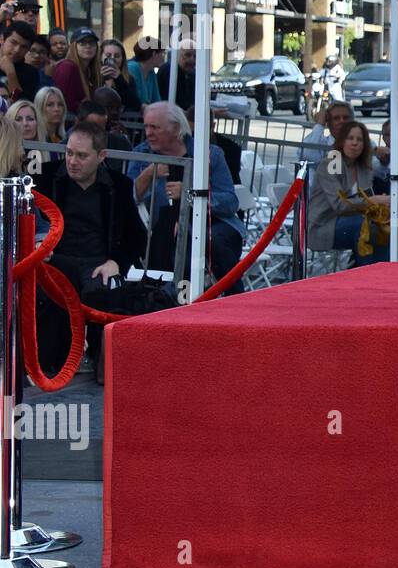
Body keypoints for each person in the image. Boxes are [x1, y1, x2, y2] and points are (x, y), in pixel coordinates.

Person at [35, 123, 147, 385]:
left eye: (82, 156)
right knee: (54, 287)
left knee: (104, 288)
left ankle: (101, 363)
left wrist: (116, 262)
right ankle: (53, 360)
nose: (73, 161)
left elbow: (137, 236)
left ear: (102, 156)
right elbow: (33, 221)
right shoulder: (47, 178)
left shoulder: (119, 185)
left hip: (98, 262)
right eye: (69, 153)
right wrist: (41, 245)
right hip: (57, 258)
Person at [127, 101, 243, 290]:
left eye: (155, 127)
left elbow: (230, 202)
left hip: (212, 224)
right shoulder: (142, 155)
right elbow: (129, 199)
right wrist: (148, 175)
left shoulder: (209, 154)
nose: (148, 133)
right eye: (146, 126)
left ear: (176, 128)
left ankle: (232, 299)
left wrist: (190, 195)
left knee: (211, 242)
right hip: (158, 229)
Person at [306, 119, 398, 263]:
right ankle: (372, 274)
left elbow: (367, 195)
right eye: (350, 138)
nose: (355, 143)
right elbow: (339, 205)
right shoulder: (333, 162)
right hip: (326, 224)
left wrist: (380, 202)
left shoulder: (363, 166)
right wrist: (372, 202)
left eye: (359, 140)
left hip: (356, 218)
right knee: (372, 228)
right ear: (342, 141)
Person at [51, 27, 101, 115]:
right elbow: (61, 100)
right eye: (82, 43)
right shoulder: (67, 67)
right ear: (74, 46)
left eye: (92, 43)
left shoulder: (90, 72)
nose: (88, 46)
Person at [98, 38, 142, 114]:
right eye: (108, 55)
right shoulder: (93, 75)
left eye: (117, 56)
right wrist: (102, 78)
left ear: (122, 59)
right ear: (100, 57)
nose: (112, 58)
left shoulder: (129, 78)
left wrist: (119, 79)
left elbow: (135, 105)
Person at [0, 20, 39, 102]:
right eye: (13, 43)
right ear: (2, 39)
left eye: (24, 47)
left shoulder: (30, 73)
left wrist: (11, 74)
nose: (17, 50)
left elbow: (21, 105)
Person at [156, 40, 197, 111]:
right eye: (187, 55)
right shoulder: (169, 70)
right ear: (177, 55)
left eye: (195, 56)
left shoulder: (193, 74)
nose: (192, 60)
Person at [127, 39, 164, 107]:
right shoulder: (132, 68)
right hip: (131, 115)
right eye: (162, 53)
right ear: (154, 54)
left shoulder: (151, 71)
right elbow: (135, 99)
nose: (163, 57)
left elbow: (157, 99)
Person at [34, 84, 68, 155]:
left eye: (60, 104)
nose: (57, 109)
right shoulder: (33, 139)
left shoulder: (66, 139)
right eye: (50, 105)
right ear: (40, 107)